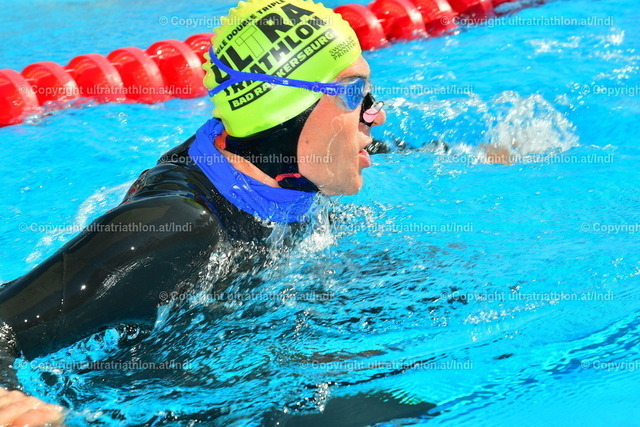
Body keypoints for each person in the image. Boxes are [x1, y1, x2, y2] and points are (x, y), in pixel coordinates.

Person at [0, 0, 386, 424]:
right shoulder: (177, 226)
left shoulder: (283, 172)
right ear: (285, 111)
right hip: (143, 400)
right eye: (354, 93)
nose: (376, 114)